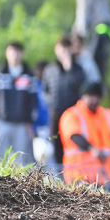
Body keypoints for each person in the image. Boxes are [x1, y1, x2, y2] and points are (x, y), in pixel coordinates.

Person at [59, 81, 110, 188]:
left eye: (97, 96)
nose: (94, 100)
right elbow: (74, 136)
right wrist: (92, 149)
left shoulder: (108, 115)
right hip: (78, 178)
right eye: (90, 96)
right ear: (83, 96)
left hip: (104, 178)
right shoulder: (71, 115)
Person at [43, 36, 87, 172]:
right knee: (56, 143)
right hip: (56, 112)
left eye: (67, 50)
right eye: (62, 50)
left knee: (73, 142)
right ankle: (59, 174)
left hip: (73, 114)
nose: (65, 53)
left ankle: (74, 174)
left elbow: (81, 88)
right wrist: (51, 103)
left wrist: (70, 69)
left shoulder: (78, 69)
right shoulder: (50, 70)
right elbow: (45, 90)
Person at [0, 41, 39, 165]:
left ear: (22, 53)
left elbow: (34, 101)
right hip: (2, 122)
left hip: (22, 125)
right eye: (11, 51)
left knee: (22, 159)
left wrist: (31, 122)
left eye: (17, 51)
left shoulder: (29, 76)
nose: (15, 55)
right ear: (6, 53)